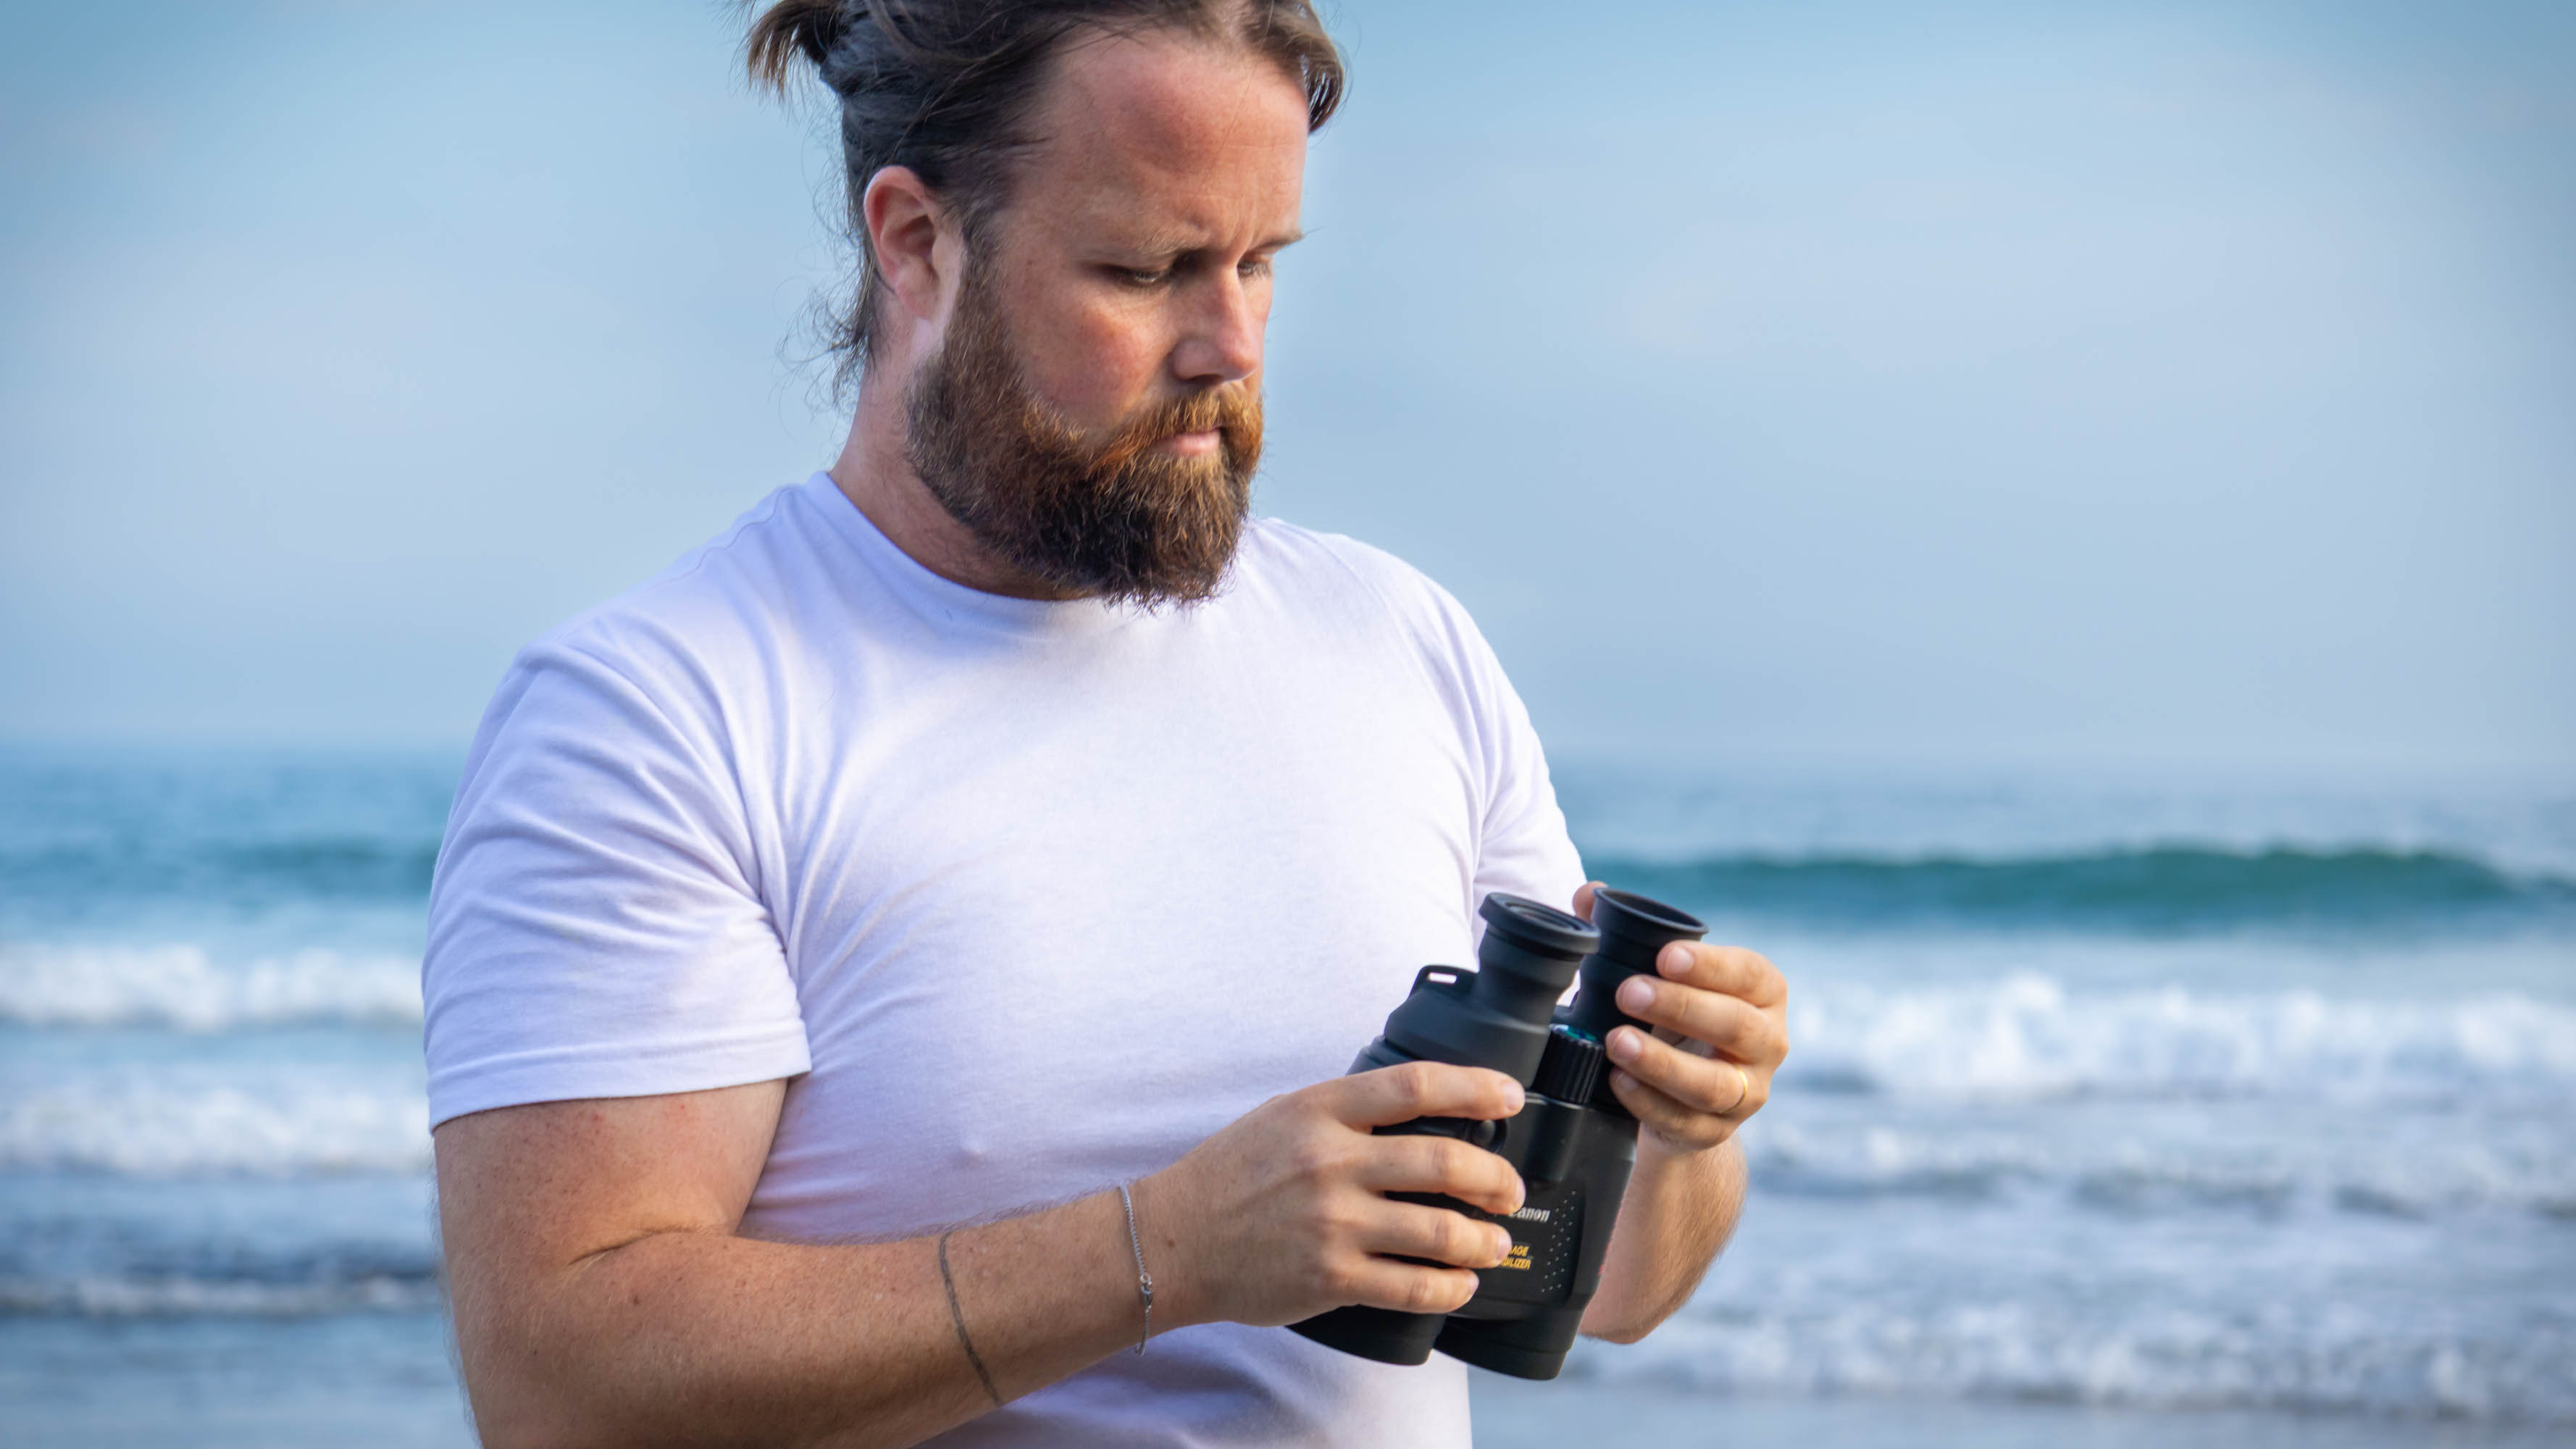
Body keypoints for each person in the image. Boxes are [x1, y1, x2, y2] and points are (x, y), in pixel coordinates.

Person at [422, 2, 1790, 1445]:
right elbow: (562, 1388)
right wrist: (1167, 1251)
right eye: (1147, 270)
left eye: (1261, 262)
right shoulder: (658, 716)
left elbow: (1608, 1287)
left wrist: (1678, 1131)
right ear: (916, 244)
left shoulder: (1399, 641)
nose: (1231, 344)